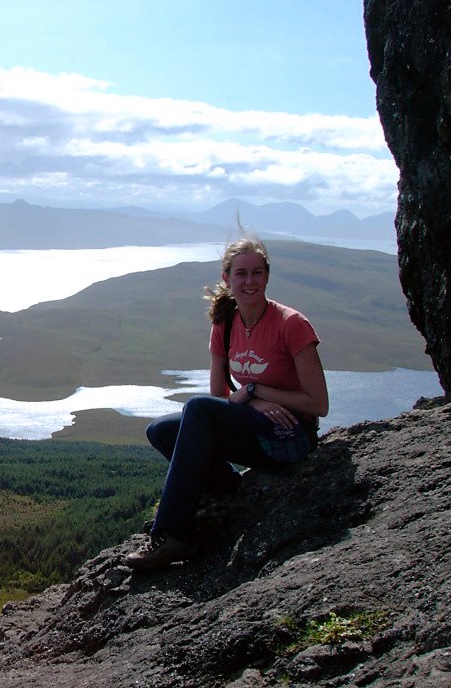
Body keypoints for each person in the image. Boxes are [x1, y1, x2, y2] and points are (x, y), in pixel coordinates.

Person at [125, 237, 329, 571]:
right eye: (241, 274)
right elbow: (220, 395)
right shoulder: (226, 323)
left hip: (292, 436)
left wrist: (255, 391)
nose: (250, 281)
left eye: (257, 273)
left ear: (267, 277)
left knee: (197, 409)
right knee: (161, 431)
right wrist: (252, 403)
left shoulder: (292, 325)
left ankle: (171, 534)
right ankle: (226, 487)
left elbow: (318, 405)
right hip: (255, 428)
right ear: (227, 278)